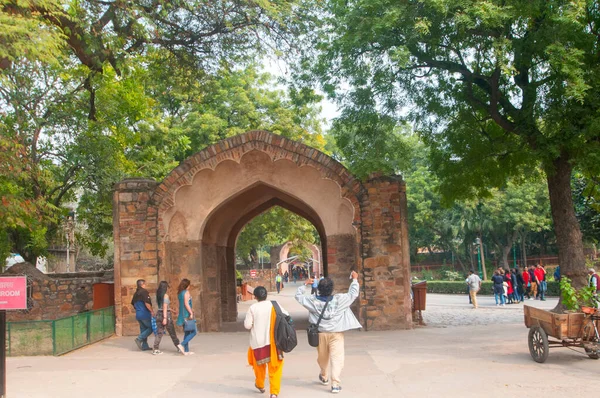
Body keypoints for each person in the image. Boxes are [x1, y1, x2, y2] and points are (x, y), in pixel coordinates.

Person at [295, 270, 362, 394]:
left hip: (320, 334)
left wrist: (304, 284)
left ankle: (324, 374)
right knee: (337, 358)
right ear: (332, 289)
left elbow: (298, 297)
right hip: (336, 334)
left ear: (319, 289)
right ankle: (335, 383)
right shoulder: (340, 299)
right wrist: (354, 280)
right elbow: (353, 294)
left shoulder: (312, 300)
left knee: (322, 358)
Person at [244, 286, 289, 398]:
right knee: (275, 367)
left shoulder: (253, 308)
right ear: (266, 295)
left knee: (259, 366)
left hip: (258, 342)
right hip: (274, 342)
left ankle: (260, 384)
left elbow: (247, 325)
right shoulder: (274, 305)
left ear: (255, 296)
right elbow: (286, 315)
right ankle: (274, 392)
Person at [152, 281, 186, 355]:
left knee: (159, 332)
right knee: (172, 332)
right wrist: (165, 318)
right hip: (165, 315)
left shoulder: (158, 295)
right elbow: (165, 307)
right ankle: (178, 347)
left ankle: (155, 348)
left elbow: (163, 307)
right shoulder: (165, 295)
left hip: (159, 313)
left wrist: (172, 310)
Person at [176, 279, 196, 355]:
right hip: (187, 314)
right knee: (194, 331)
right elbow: (186, 304)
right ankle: (182, 344)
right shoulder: (186, 292)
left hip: (182, 314)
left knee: (187, 332)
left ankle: (186, 350)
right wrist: (191, 312)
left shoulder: (180, 293)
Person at [131, 279, 153, 351]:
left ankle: (145, 345)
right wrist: (152, 311)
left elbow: (133, 303)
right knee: (151, 328)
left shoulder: (135, 293)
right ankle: (139, 339)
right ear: (142, 284)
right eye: (145, 284)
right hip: (144, 314)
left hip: (138, 314)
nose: (145, 285)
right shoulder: (144, 292)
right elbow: (147, 303)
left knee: (143, 330)